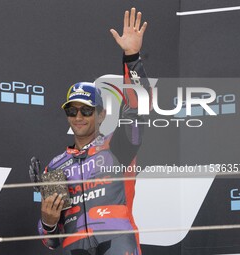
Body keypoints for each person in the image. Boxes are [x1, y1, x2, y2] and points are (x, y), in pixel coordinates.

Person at [36, 7, 151, 255]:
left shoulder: (119, 145)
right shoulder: (55, 167)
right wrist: (48, 221)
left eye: (87, 111)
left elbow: (138, 109)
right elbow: (50, 241)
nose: (78, 117)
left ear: (101, 114)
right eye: (72, 110)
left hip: (118, 244)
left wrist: (132, 57)